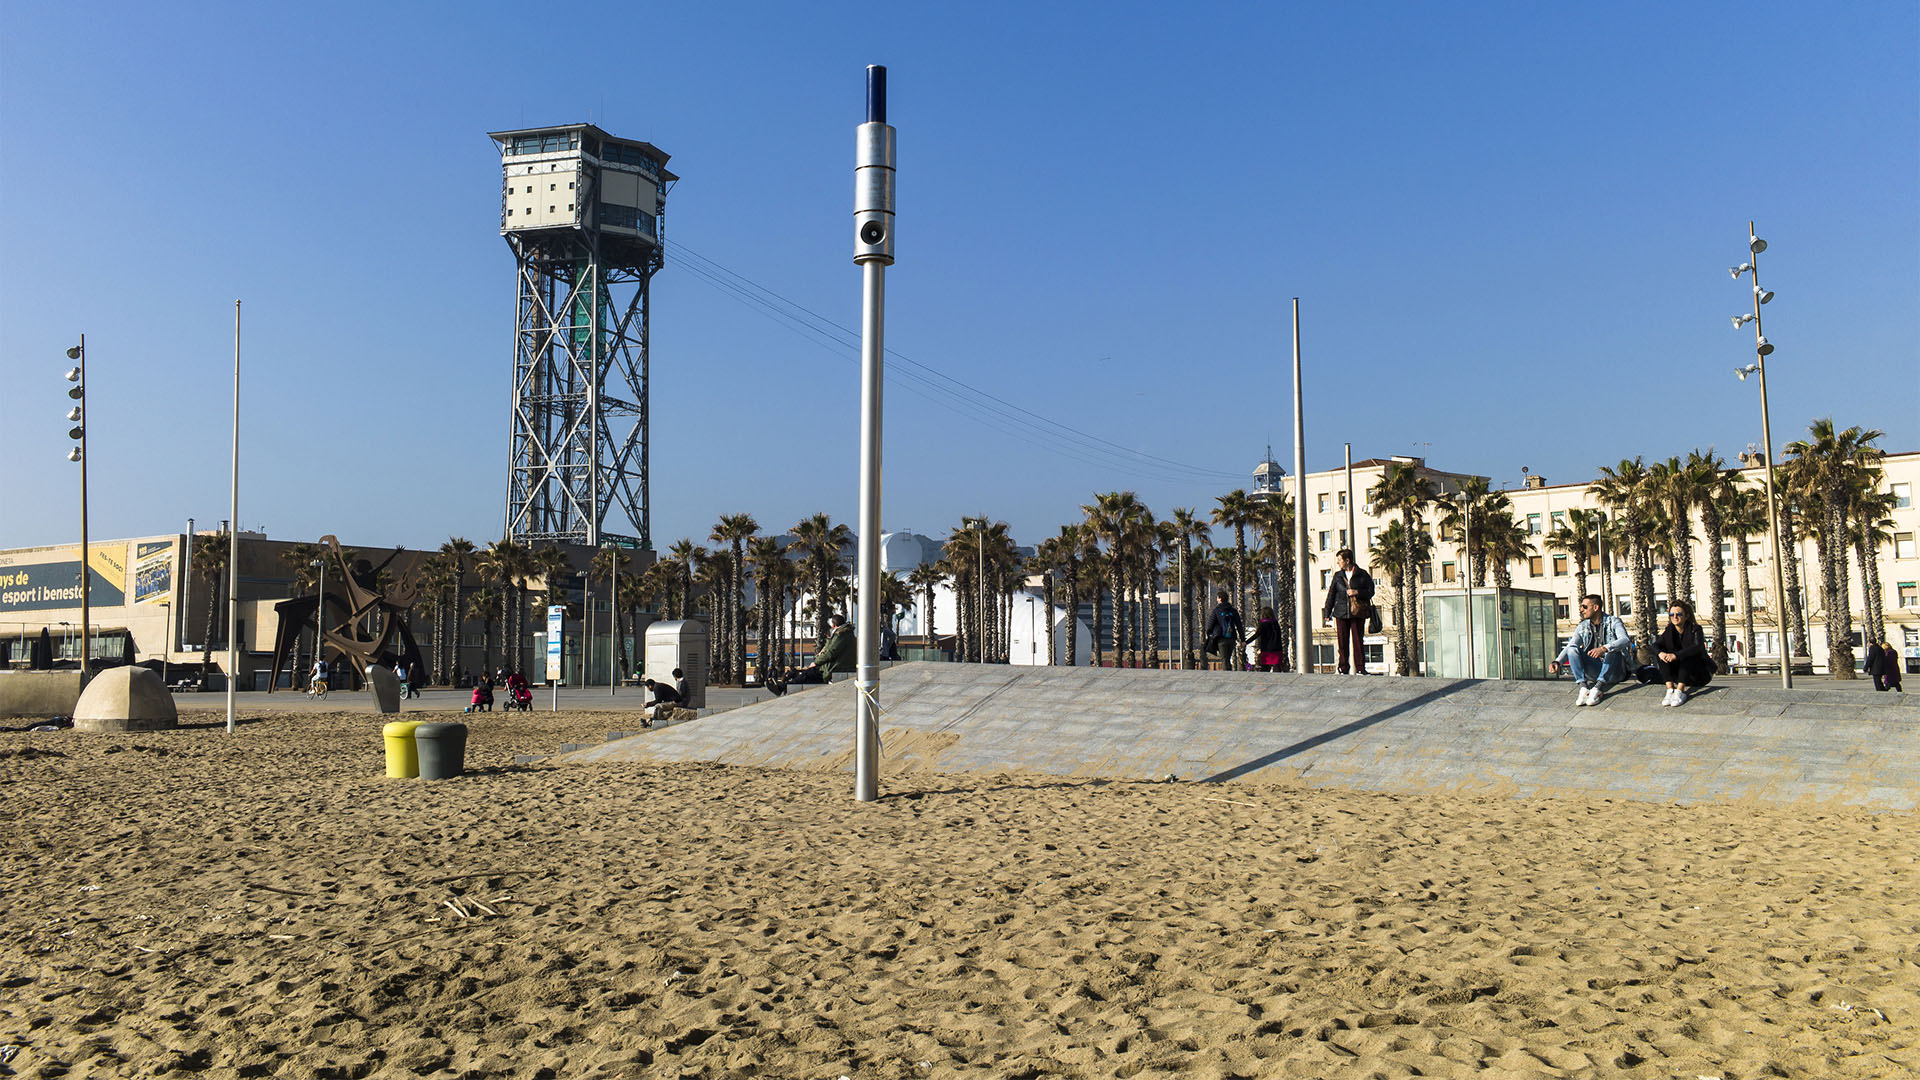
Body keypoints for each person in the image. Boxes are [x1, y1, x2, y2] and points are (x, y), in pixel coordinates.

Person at [1565, 593, 1634, 706]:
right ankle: (1584, 689)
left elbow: (1625, 640)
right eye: (1581, 607)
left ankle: (1597, 688)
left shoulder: (1614, 621)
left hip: (1616, 671)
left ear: (1596, 607)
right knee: (1572, 649)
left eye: (1585, 607)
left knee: (1612, 650)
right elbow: (1570, 646)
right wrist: (1557, 661)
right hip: (1596, 670)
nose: (1582, 610)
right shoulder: (1583, 626)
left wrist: (1604, 648)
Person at [769, 615, 855, 696]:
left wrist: (816, 663)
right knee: (805, 673)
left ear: (833, 625)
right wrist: (829, 638)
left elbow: (830, 653)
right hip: (837, 666)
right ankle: (783, 684)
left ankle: (782, 687)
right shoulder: (847, 634)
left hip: (835, 668)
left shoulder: (840, 635)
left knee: (807, 674)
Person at [1322, 548, 1376, 675]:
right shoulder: (1337, 576)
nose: (1338, 563)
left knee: (1358, 641)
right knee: (1342, 642)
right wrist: (1327, 613)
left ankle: (1360, 668)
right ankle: (1343, 668)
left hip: (1357, 612)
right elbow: (1331, 594)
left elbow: (1371, 591)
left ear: (1347, 560)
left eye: (1340, 560)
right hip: (1341, 612)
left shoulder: (1362, 574)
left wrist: (1357, 592)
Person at [1653, 600, 1714, 706]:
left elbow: (1697, 647)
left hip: (1699, 673)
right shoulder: (1669, 630)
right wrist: (1661, 653)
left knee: (1688, 654)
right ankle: (1670, 690)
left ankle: (1680, 691)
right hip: (1679, 674)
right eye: (1672, 614)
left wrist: (1676, 655)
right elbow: (1655, 645)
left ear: (1686, 616)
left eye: (1679, 614)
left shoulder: (1695, 629)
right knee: (1663, 655)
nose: (1675, 617)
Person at [1206, 592, 1245, 670]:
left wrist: (1210, 635)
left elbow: (1210, 624)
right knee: (1227, 658)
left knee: (1224, 659)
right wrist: (1243, 639)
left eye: (1217, 598)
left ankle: (1227, 675)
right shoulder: (1233, 611)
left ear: (1220, 598)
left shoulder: (1216, 611)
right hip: (1231, 638)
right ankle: (1229, 672)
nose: (1217, 599)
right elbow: (1239, 626)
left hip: (1221, 639)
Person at [1251, 606, 1283, 671]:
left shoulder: (1263, 624)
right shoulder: (1275, 623)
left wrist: (1246, 642)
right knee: (1277, 668)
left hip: (1266, 650)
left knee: (1265, 670)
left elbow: (1256, 635)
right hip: (1277, 649)